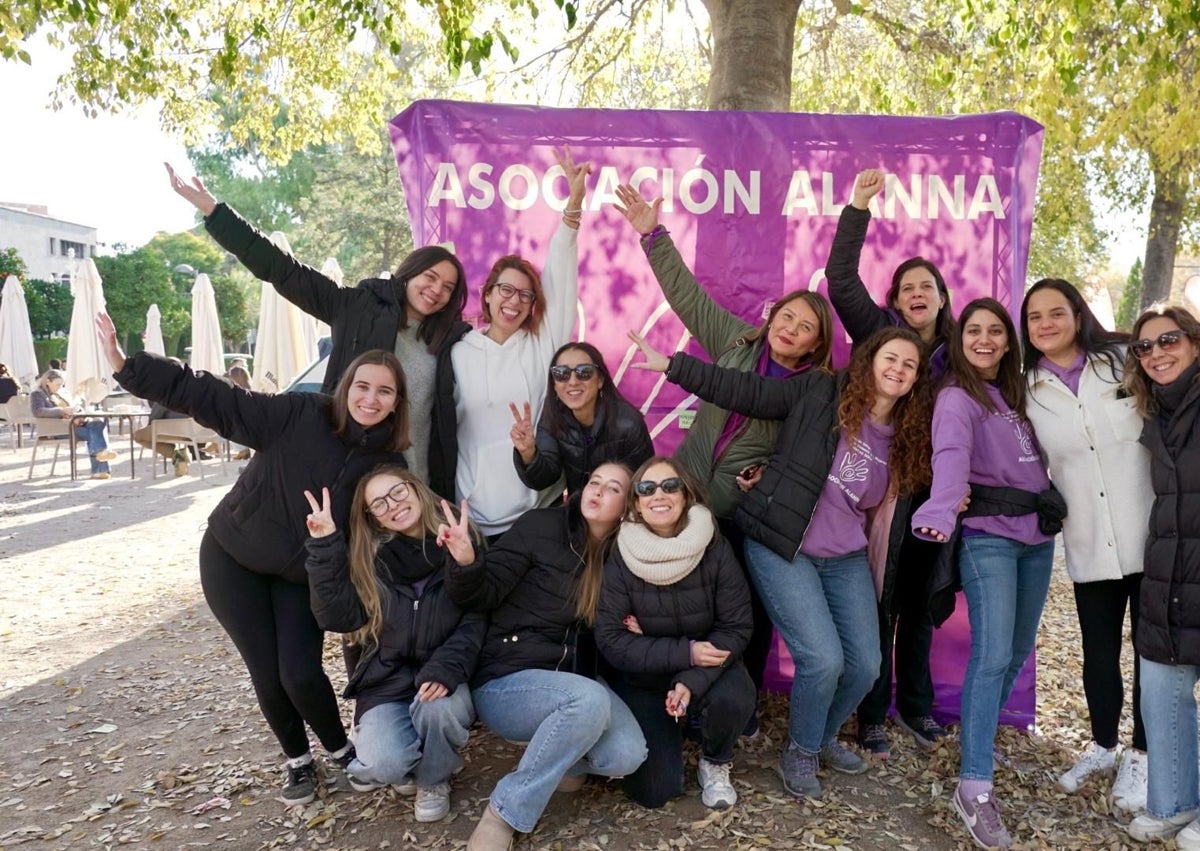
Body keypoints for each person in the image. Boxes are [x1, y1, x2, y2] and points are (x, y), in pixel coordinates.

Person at [97, 312, 410, 806]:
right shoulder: (300, 414)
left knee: (301, 673)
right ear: (347, 386)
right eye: (363, 386)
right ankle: (297, 760)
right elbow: (217, 398)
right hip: (232, 557)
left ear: (397, 403)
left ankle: (340, 750)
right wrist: (129, 367)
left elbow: (400, 522)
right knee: (266, 672)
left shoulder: (389, 462)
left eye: (385, 392)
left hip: (298, 573)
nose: (371, 399)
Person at [630, 325, 933, 801]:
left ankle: (820, 736)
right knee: (821, 660)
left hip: (845, 554)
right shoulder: (820, 392)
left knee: (866, 666)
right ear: (871, 360)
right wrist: (674, 365)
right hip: (782, 543)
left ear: (916, 379)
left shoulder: (907, 436)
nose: (897, 370)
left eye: (909, 365)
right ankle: (801, 750)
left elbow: (936, 479)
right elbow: (748, 391)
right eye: (891, 358)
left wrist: (959, 498)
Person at [613, 183, 834, 733]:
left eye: (806, 327)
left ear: (814, 345)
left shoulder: (814, 389)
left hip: (739, 511)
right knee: (670, 597)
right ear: (773, 317)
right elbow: (687, 297)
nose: (792, 329)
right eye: (788, 317)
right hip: (686, 497)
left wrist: (769, 473)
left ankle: (742, 704)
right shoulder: (736, 343)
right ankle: (668, 696)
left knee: (745, 616)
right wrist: (651, 235)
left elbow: (806, 454)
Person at [166, 162, 469, 498]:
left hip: (419, 483)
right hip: (352, 471)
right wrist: (215, 212)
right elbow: (282, 270)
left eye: (448, 287)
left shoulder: (448, 342)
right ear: (410, 274)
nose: (437, 290)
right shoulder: (355, 307)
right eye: (430, 277)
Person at [911, 298, 1060, 849]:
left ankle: (979, 737)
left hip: (1036, 539)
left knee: (1017, 652)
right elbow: (949, 457)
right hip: (989, 538)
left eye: (995, 331)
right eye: (974, 330)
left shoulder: (1019, 393)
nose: (985, 339)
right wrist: (937, 511)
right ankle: (974, 784)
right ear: (959, 339)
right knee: (993, 654)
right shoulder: (957, 396)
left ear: (1008, 340)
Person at [443, 462, 647, 851]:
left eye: (613, 488)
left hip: (575, 679)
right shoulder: (541, 526)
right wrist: (468, 563)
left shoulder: (626, 555)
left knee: (627, 756)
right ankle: (503, 812)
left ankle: (560, 753)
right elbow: (483, 594)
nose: (598, 490)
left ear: (627, 508)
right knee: (588, 700)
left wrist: (641, 623)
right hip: (508, 677)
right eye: (595, 482)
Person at [825, 168, 957, 758]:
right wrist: (857, 206)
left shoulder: (962, 354)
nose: (917, 293)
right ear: (895, 301)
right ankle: (871, 715)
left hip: (942, 494)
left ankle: (916, 707)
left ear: (942, 297)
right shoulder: (879, 334)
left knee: (923, 604)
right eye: (906, 287)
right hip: (886, 493)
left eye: (926, 285)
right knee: (881, 603)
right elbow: (839, 278)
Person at [1020, 279, 1151, 811]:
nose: (1046, 324)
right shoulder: (1025, 387)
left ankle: (1143, 757)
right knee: (1099, 651)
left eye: (1057, 312)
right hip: (1089, 539)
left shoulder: (1124, 360)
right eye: (1035, 317)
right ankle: (1102, 746)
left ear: (1078, 313)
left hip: (1151, 533)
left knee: (1153, 653)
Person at [303, 465, 484, 822]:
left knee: (438, 709)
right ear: (373, 518)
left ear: (415, 489)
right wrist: (324, 546)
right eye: (379, 504)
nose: (393, 505)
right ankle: (403, 758)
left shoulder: (458, 538)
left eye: (398, 492)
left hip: (443, 673)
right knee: (385, 764)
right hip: (386, 681)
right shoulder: (368, 560)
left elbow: (478, 615)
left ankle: (433, 779)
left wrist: (447, 667)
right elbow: (337, 619)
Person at [594, 456, 754, 810]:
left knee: (735, 696)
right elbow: (611, 639)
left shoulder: (713, 546)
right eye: (646, 489)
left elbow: (736, 625)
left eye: (670, 486)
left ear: (686, 495)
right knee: (654, 791)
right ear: (636, 502)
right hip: (645, 678)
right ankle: (675, 728)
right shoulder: (621, 554)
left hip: (709, 668)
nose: (658, 495)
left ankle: (714, 759)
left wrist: (693, 675)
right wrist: (686, 653)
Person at [452, 147, 589, 540]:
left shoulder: (542, 345)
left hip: (538, 508)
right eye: (506, 291)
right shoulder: (459, 352)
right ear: (488, 295)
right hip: (474, 511)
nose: (514, 301)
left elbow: (560, 269)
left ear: (533, 306)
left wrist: (573, 206)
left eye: (525, 295)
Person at [1121, 306, 1200, 849]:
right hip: (1168, 575)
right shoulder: (1154, 413)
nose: (1156, 354)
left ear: (1194, 342)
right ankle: (1174, 802)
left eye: (1168, 340)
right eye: (1144, 347)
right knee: (1163, 692)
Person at [511, 342, 654, 498]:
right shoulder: (553, 415)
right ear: (554, 384)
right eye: (561, 373)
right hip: (577, 511)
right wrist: (529, 454)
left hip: (621, 512)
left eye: (584, 372)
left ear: (600, 380)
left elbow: (644, 484)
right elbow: (544, 479)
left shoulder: (629, 423)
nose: (572, 382)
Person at [30, 368, 118, 479]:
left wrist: (78, 413)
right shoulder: (37, 394)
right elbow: (38, 411)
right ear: (47, 381)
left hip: (72, 424)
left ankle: (100, 457)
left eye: (62, 385)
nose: (60, 388)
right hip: (56, 429)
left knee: (97, 423)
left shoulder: (59, 394)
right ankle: (100, 466)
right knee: (94, 434)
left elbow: (72, 407)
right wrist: (62, 411)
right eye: (58, 384)